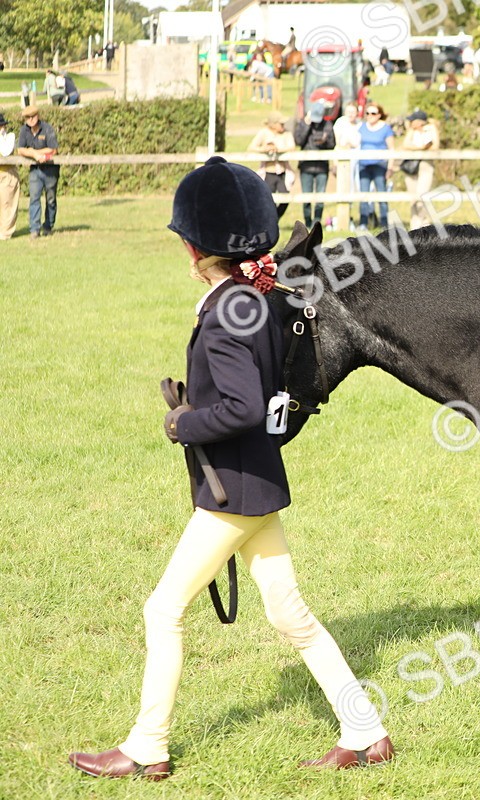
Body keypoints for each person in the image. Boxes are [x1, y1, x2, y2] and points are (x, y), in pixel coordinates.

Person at [67, 155, 393, 781]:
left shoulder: (224, 313)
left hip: (231, 492)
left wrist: (181, 422)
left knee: (162, 611)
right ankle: (366, 729)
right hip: (258, 481)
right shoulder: (259, 300)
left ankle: (146, 746)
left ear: (193, 249)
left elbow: (242, 406)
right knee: (289, 612)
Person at [16, 105, 59, 238]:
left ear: (38, 116)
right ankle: (34, 229)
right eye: (28, 117)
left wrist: (33, 152)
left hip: (50, 169)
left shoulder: (47, 128)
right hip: (35, 170)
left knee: (50, 199)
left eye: (33, 116)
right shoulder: (24, 130)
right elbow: (20, 149)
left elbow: (53, 149)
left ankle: (48, 225)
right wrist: (33, 154)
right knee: (34, 198)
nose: (31, 119)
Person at [294, 104, 335, 230]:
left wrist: (325, 141)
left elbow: (332, 144)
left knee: (320, 196)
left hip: (322, 166)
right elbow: (298, 141)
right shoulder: (303, 123)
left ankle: (317, 223)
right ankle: (307, 222)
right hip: (306, 166)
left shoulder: (327, 125)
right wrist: (306, 125)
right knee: (306, 196)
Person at [247, 110, 295, 218]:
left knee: (285, 197)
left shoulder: (286, 133)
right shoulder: (264, 133)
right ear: (273, 124)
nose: (283, 126)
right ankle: (270, 219)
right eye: (280, 123)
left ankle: (275, 218)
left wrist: (279, 149)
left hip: (282, 171)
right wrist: (264, 149)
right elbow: (251, 147)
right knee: (268, 199)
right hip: (269, 172)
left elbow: (292, 147)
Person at [357, 102, 396, 232]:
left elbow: (392, 149)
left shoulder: (385, 128)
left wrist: (390, 167)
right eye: (367, 113)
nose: (370, 116)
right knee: (363, 194)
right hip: (364, 165)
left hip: (380, 165)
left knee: (382, 195)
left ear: (379, 115)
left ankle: (384, 223)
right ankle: (363, 222)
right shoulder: (361, 127)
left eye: (373, 113)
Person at [398, 109, 439, 229]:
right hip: (412, 166)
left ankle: (425, 226)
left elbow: (435, 146)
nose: (410, 123)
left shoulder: (431, 129)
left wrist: (418, 148)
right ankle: (414, 226)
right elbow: (405, 145)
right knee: (413, 199)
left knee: (422, 196)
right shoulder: (412, 131)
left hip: (425, 165)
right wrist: (420, 148)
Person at [0, 112, 17, 240]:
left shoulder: (10, 137)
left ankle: (5, 233)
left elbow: (5, 152)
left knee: (7, 203)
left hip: (7, 173)